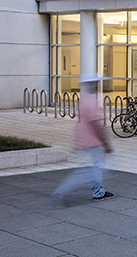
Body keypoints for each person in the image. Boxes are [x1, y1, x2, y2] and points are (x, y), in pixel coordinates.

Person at [52, 74, 114, 204]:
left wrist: (77, 141)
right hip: (94, 141)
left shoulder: (84, 100)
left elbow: (81, 122)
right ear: (95, 85)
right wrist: (106, 143)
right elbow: (97, 125)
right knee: (96, 169)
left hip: (86, 139)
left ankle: (98, 190)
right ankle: (93, 192)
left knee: (95, 167)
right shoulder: (94, 102)